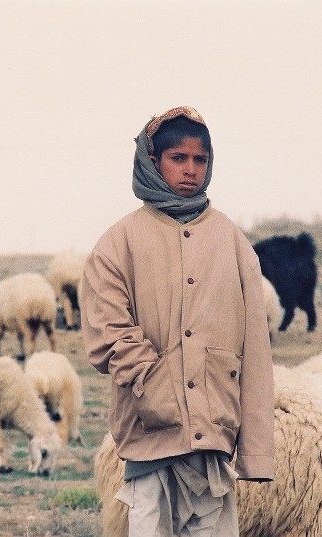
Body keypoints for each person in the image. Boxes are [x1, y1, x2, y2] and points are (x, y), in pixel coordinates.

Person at [80, 106, 275, 536]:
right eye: (178, 158)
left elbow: (257, 354)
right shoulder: (119, 243)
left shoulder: (233, 242)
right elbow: (104, 332)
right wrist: (155, 388)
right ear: (153, 162)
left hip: (213, 446)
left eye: (200, 160)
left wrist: (256, 452)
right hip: (148, 441)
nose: (190, 170)